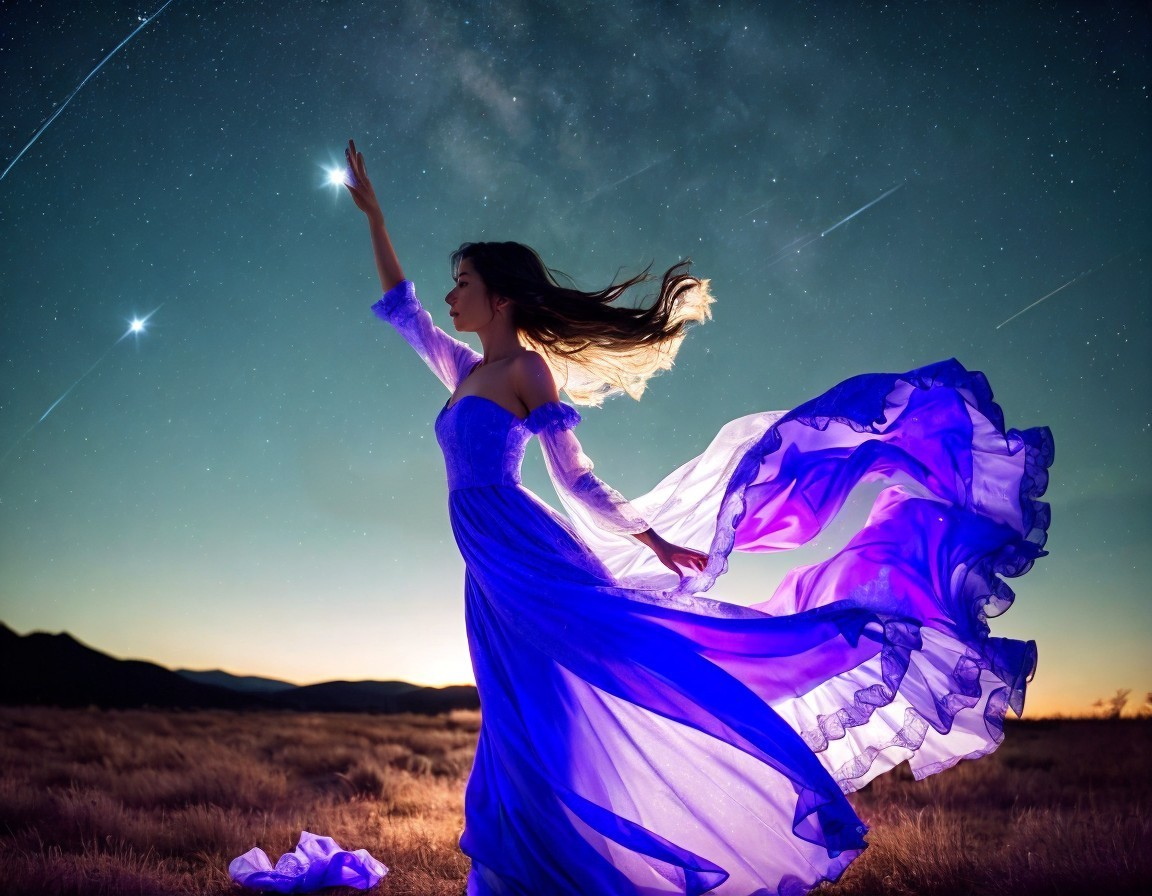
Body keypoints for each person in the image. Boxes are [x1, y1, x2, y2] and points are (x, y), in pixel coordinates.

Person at [342, 139, 1053, 895]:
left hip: (525, 556)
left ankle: (554, 866)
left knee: (569, 696)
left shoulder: (524, 371)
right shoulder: (464, 369)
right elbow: (404, 312)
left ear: (502, 297)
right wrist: (374, 217)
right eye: (452, 285)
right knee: (515, 709)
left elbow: (575, 479)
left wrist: (648, 537)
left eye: (464, 283)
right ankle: (526, 868)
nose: (452, 297)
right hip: (486, 569)